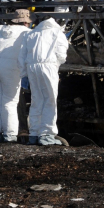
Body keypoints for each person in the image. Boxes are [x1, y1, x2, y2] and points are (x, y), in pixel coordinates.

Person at [18, 16, 69, 145]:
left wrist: (24, 73)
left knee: (36, 100)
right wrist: (55, 64)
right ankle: (47, 135)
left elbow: (21, 56)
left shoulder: (31, 33)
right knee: (50, 100)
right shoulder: (57, 33)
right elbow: (62, 55)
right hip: (48, 66)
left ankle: (34, 133)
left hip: (32, 67)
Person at [0, 9, 32, 143]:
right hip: (11, 67)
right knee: (9, 102)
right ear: (25, 22)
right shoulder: (26, 32)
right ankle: (9, 136)